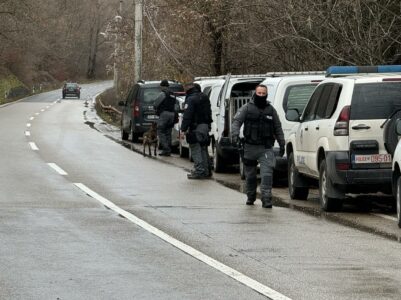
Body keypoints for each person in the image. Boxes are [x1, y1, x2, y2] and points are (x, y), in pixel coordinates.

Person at [231, 84, 285, 208]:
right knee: (250, 176)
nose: (261, 95)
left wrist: (282, 143)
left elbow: (278, 127)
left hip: (265, 148)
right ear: (255, 93)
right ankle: (251, 196)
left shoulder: (271, 110)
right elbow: (236, 122)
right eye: (259, 93)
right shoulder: (247, 108)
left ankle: (266, 199)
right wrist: (235, 136)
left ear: (266, 94)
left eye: (263, 93)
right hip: (249, 147)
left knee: (267, 175)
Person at [181, 82, 213, 179]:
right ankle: (207, 171)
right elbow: (209, 112)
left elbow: (187, 115)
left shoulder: (190, 99)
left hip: (195, 127)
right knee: (203, 149)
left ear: (189, 89)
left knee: (195, 148)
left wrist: (183, 129)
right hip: (205, 126)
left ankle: (199, 171)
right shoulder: (204, 97)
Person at [154, 79, 176, 156]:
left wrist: (156, 109)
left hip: (164, 114)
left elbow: (156, 104)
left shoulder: (162, 94)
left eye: (161, 86)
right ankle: (168, 150)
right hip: (172, 114)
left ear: (163, 86)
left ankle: (166, 149)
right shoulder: (172, 94)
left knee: (160, 131)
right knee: (168, 132)